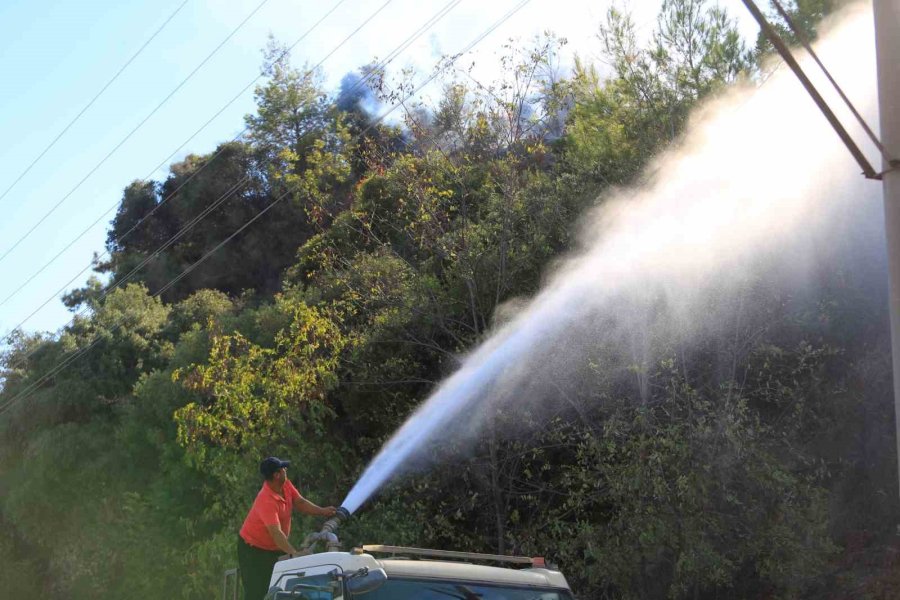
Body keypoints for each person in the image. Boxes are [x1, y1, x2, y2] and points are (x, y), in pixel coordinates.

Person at [237, 456, 337, 600]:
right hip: (252, 550)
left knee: (278, 585)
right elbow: (276, 533)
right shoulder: (266, 499)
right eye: (283, 468)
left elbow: (300, 502)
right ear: (276, 475)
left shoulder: (285, 485)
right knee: (256, 591)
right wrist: (294, 553)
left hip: (273, 547)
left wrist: (323, 511)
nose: (286, 469)